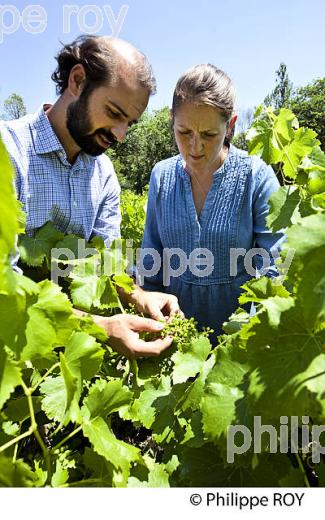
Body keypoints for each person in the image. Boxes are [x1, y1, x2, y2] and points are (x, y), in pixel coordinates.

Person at [0, 35, 181, 358]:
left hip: (66, 362)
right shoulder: (8, 153)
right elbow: (4, 291)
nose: (120, 134)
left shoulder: (103, 175)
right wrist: (101, 327)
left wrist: (139, 297)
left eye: (130, 123)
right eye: (114, 112)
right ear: (78, 81)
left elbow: (106, 266)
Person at [141, 64, 284, 339]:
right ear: (171, 119)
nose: (195, 147)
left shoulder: (255, 176)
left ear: (229, 125)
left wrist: (246, 335)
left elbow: (275, 268)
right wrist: (153, 320)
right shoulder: (162, 176)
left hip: (240, 339)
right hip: (174, 338)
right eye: (184, 133)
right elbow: (152, 262)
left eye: (209, 135)